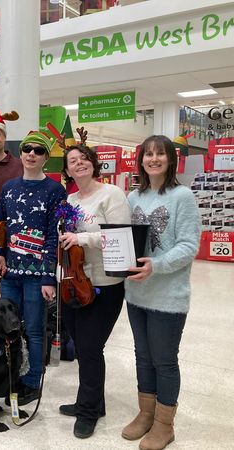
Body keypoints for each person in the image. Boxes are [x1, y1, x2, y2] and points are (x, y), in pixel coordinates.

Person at [122, 135, 200, 450]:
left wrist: (156, 265)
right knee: (143, 357)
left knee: (164, 360)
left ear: (171, 160)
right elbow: (124, 239)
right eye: (148, 154)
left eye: (160, 154)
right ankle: (146, 413)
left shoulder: (182, 197)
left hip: (168, 295)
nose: (154, 159)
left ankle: (164, 424)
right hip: (136, 293)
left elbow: (189, 246)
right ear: (140, 160)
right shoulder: (132, 197)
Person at [58, 140, 131, 438]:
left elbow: (120, 235)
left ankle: (87, 412)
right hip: (74, 282)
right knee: (80, 345)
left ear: (93, 163)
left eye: (84, 158)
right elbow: (63, 239)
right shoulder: (70, 199)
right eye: (72, 160)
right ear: (66, 170)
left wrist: (81, 240)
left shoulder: (112, 194)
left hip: (105, 284)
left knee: (89, 348)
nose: (79, 163)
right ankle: (93, 402)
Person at [0, 131, 66, 405]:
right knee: (9, 328)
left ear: (46, 157)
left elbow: (53, 236)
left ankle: (33, 381)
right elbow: (1, 222)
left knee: (34, 330)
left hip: (37, 276)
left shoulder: (55, 191)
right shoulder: (9, 187)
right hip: (10, 273)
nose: (31, 154)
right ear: (21, 153)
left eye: (38, 150)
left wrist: (49, 276)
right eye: (27, 149)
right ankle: (11, 374)